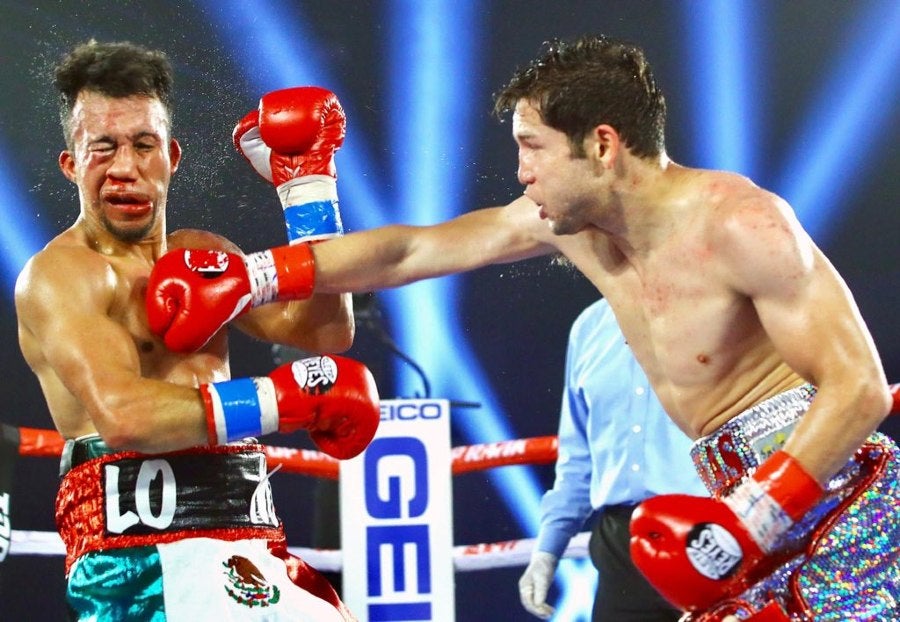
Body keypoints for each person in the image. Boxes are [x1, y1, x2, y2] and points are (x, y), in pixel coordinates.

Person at [149, 35, 899, 620]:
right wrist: (259, 274)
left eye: (533, 148)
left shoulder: (742, 223)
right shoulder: (574, 226)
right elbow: (415, 247)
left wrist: (757, 516)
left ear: (602, 145)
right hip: (736, 501)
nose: (520, 173)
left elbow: (860, 389)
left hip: (833, 498)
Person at [14, 40, 380, 621]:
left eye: (143, 145)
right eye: (103, 148)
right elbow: (126, 417)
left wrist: (306, 187)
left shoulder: (204, 255)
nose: (125, 168)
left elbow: (327, 333)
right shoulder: (61, 276)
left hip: (253, 540)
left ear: (172, 156)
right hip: (140, 560)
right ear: (72, 164)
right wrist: (280, 401)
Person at [519, 298, 707, 621]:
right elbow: (578, 460)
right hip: (621, 549)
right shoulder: (589, 328)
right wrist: (547, 550)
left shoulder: (720, 309)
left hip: (712, 534)